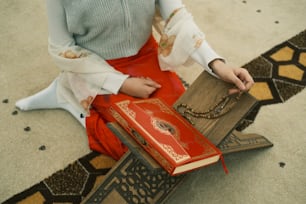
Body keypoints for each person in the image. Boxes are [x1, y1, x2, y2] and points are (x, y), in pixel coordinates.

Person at [16, 0, 254, 160]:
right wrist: (122, 83)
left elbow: (178, 17)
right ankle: (67, 94)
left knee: (184, 130)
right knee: (134, 149)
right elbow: (62, 47)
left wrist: (217, 64)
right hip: (95, 67)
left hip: (145, 55)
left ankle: (71, 90)